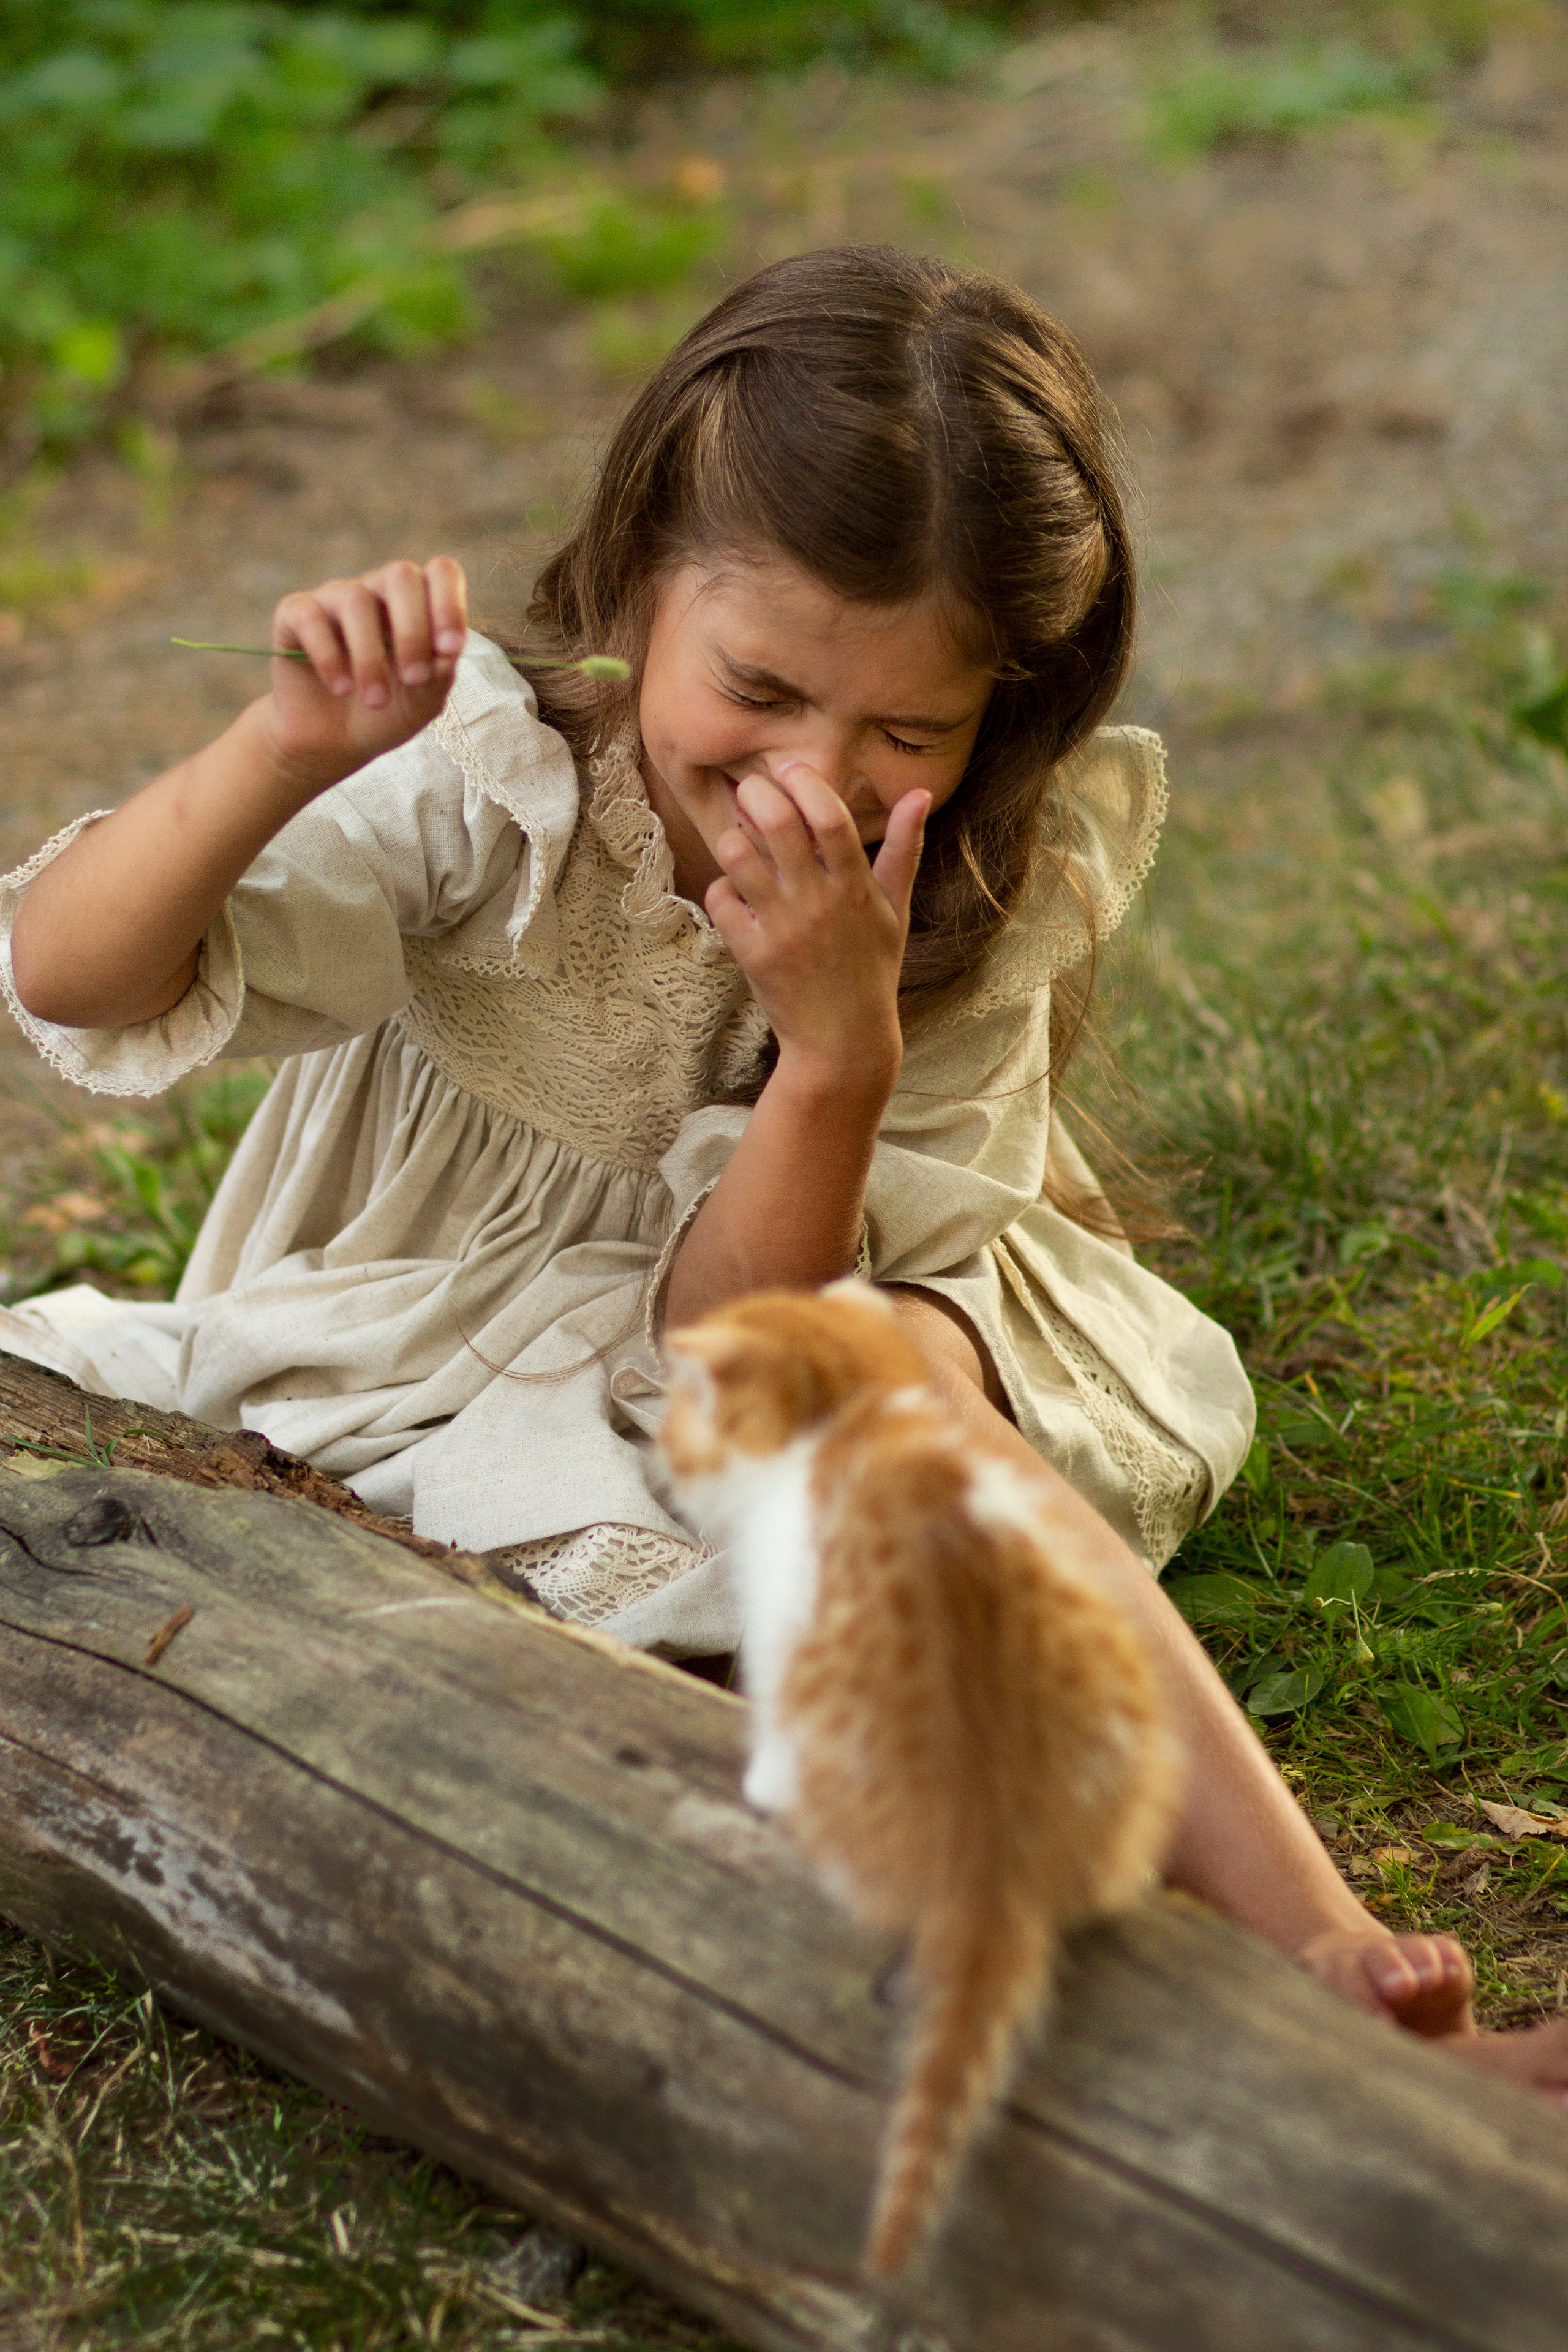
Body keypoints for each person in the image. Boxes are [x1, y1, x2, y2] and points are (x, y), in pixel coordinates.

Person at [2, 246, 1565, 2092]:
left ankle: (1340, 1965)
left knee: (890, 1401)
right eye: (760, 686)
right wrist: (282, 750)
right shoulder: (494, 778)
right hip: (435, 1339)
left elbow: (741, 1341)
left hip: (796, 1307)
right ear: (640, 579)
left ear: (1006, 713)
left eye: (908, 732)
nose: (811, 777)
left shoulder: (991, 874)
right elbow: (66, 973)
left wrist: (834, 1051)